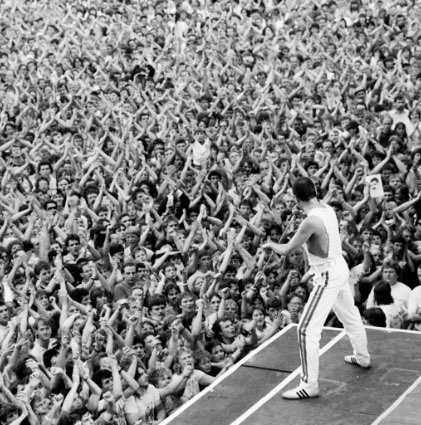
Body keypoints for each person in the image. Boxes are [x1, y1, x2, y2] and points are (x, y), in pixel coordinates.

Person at [263, 177, 370, 400]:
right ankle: (362, 357)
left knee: (305, 329)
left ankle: (309, 385)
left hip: (327, 274)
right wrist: (300, 217)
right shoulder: (327, 209)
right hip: (339, 267)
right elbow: (314, 237)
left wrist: (270, 244)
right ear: (314, 191)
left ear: (296, 198)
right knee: (350, 315)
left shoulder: (310, 221)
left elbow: (287, 250)